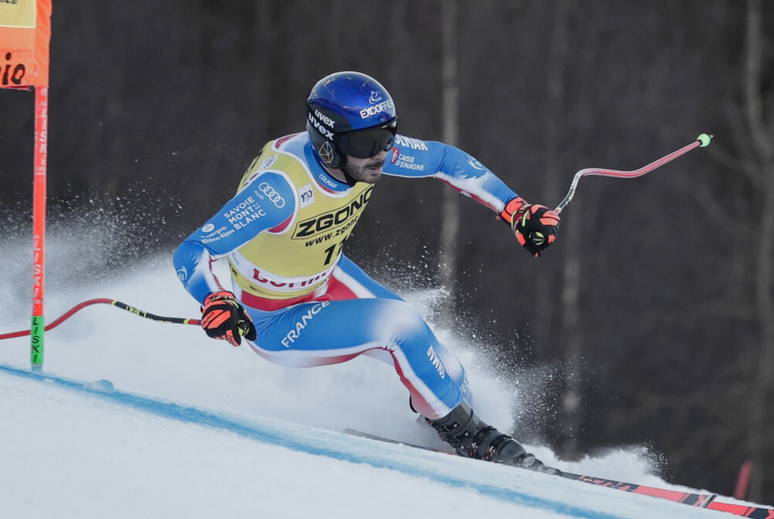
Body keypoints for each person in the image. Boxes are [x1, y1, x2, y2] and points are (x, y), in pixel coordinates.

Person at [173, 71, 561, 473]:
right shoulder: (279, 191)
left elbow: (445, 160)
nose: (381, 154)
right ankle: (479, 441)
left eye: (388, 137)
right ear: (327, 145)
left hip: (327, 276)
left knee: (449, 373)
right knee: (400, 324)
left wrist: (514, 209)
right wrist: (215, 297)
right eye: (367, 144)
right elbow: (193, 249)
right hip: (272, 318)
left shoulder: (363, 153)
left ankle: (444, 432)